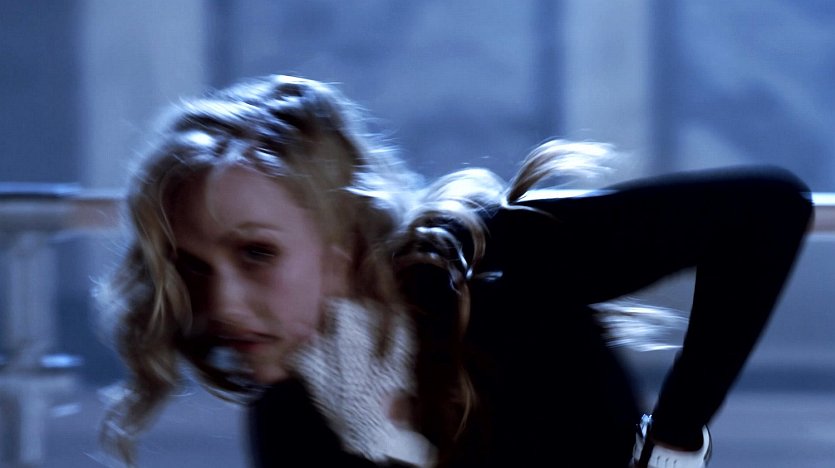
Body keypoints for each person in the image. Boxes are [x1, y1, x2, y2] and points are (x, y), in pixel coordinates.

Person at [97, 74, 814, 467]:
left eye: (257, 254)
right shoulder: (288, 398)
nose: (220, 304)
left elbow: (767, 211)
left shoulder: (502, 262)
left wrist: (677, 442)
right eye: (193, 266)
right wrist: (383, 445)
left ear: (342, 239)